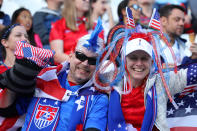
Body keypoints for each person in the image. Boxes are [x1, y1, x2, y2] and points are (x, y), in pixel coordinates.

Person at [0, 20, 108, 131]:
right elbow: (8, 109)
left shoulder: (98, 97)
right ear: (70, 55)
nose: (85, 63)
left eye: (93, 60)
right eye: (80, 56)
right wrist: (13, 78)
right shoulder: (43, 76)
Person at [104, 30, 197, 131]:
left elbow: (187, 75)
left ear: (152, 62)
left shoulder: (161, 82)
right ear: (124, 60)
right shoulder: (110, 79)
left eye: (144, 58)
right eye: (133, 58)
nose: (139, 63)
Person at [160, 4, 197, 129]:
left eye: (183, 20)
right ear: (163, 21)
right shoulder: (149, 46)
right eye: (177, 19)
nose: (182, 23)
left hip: (183, 111)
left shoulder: (188, 45)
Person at [0, 24, 29, 130]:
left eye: (26, 36)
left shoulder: (39, 70)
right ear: (5, 42)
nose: (24, 39)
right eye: (18, 35)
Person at [49, 0, 91, 64]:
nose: (88, 1)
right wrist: (81, 62)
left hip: (90, 67)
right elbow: (57, 56)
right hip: (68, 69)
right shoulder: (59, 25)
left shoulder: (94, 25)